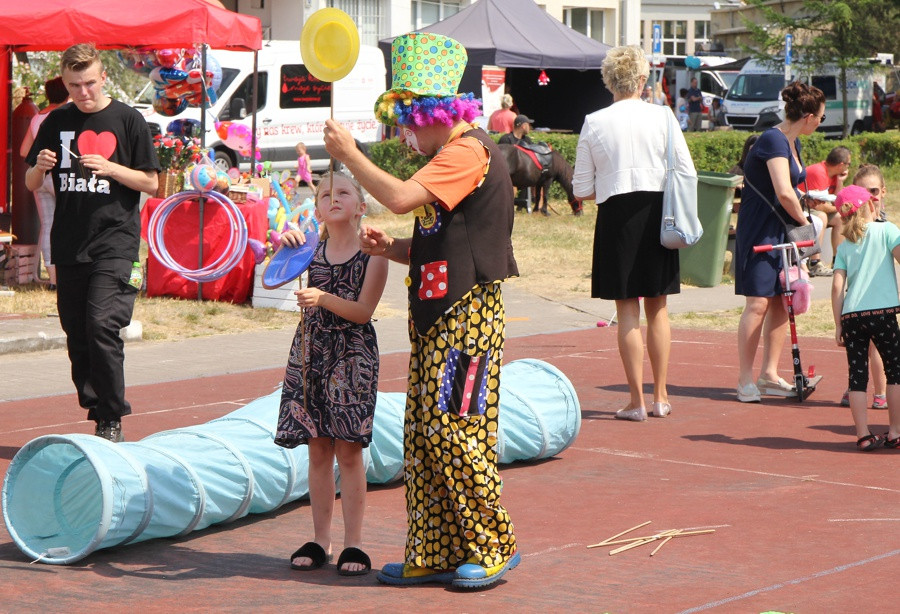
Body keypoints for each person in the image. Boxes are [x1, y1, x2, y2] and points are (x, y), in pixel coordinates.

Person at [324, 32, 520, 589]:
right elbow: (443, 240)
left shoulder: (467, 152)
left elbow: (400, 198)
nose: (405, 134)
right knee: (424, 437)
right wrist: (394, 249)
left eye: (408, 121)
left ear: (432, 113)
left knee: (456, 432)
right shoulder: (445, 157)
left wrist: (350, 154)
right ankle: (436, 550)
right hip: (437, 320)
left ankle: (494, 544)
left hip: (467, 322)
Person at [24, 43, 160, 442]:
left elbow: (151, 183)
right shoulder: (56, 121)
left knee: (101, 325)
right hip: (69, 243)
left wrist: (112, 168)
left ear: (103, 77)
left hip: (115, 242)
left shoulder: (128, 119)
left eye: (88, 83)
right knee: (77, 333)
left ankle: (111, 418)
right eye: (74, 85)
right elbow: (31, 182)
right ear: (65, 84)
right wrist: (39, 168)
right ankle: (97, 408)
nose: (82, 92)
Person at [275, 171, 388, 576]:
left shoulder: (374, 254)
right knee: (317, 448)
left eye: (343, 193)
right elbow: (271, 269)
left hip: (352, 357)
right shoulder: (309, 249)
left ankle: (353, 543)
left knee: (349, 451)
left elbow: (362, 312)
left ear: (361, 206)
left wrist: (322, 298)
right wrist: (285, 246)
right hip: (310, 354)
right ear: (318, 209)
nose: (333, 199)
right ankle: (320, 540)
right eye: (325, 195)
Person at [573, 45, 695, 421]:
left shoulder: (594, 121)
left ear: (609, 81)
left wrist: (613, 180)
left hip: (615, 216)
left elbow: (581, 188)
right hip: (659, 213)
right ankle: (661, 397)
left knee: (626, 309)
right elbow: (686, 170)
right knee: (658, 307)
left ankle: (635, 401)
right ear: (642, 80)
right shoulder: (663, 117)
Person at [734, 81, 825, 402]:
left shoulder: (792, 141)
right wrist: (806, 224)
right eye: (821, 118)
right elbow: (784, 192)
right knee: (758, 302)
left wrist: (811, 202)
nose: (820, 123)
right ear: (809, 117)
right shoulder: (773, 139)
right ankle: (745, 379)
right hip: (760, 230)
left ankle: (768, 375)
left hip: (780, 228)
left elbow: (792, 189)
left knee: (780, 301)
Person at [830, 184, 900, 451]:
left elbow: (837, 287)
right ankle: (895, 431)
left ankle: (863, 435)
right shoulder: (887, 230)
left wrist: (838, 324)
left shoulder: (845, 246)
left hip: (852, 316)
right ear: (870, 205)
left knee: (857, 376)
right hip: (882, 314)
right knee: (895, 370)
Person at [839, 164, 889, 410]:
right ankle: (857, 386)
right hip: (856, 300)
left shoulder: (886, 228)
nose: (869, 197)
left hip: (880, 301)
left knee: (877, 347)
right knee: (859, 347)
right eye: (863, 192)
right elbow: (842, 270)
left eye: (874, 191)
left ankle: (880, 391)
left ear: (883, 191)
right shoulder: (850, 228)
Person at [19, 76, 68, 289]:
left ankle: (53, 280)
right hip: (61, 175)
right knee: (69, 220)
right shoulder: (65, 115)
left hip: (40, 176)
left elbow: (24, 151)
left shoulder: (37, 117)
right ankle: (67, 275)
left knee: (48, 224)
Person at [800, 146, 852, 276]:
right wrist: (839, 208)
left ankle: (837, 260)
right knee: (822, 216)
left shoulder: (834, 175)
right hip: (803, 206)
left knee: (840, 218)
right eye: (848, 164)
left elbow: (836, 200)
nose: (848, 168)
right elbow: (818, 206)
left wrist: (840, 182)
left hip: (814, 207)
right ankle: (815, 262)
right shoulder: (819, 172)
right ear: (841, 165)